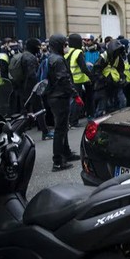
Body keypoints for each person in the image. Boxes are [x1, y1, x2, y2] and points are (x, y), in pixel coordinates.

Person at [46, 34, 82, 171]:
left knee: (62, 127)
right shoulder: (59, 60)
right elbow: (63, 80)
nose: (66, 47)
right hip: (60, 97)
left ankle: (66, 153)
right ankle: (58, 161)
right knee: (60, 129)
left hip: (55, 97)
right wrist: (76, 94)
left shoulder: (51, 57)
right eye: (64, 44)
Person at [22, 38, 53, 140]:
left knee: (24, 111)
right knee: (40, 109)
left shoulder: (23, 55)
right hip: (32, 89)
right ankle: (45, 132)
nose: (39, 49)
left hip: (22, 88)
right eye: (38, 47)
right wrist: (38, 88)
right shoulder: (31, 58)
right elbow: (32, 75)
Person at [66, 33, 95, 123]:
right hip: (80, 78)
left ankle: (72, 120)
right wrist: (92, 77)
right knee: (86, 98)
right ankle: (83, 117)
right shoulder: (78, 52)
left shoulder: (68, 51)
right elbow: (84, 68)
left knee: (73, 99)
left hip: (72, 78)